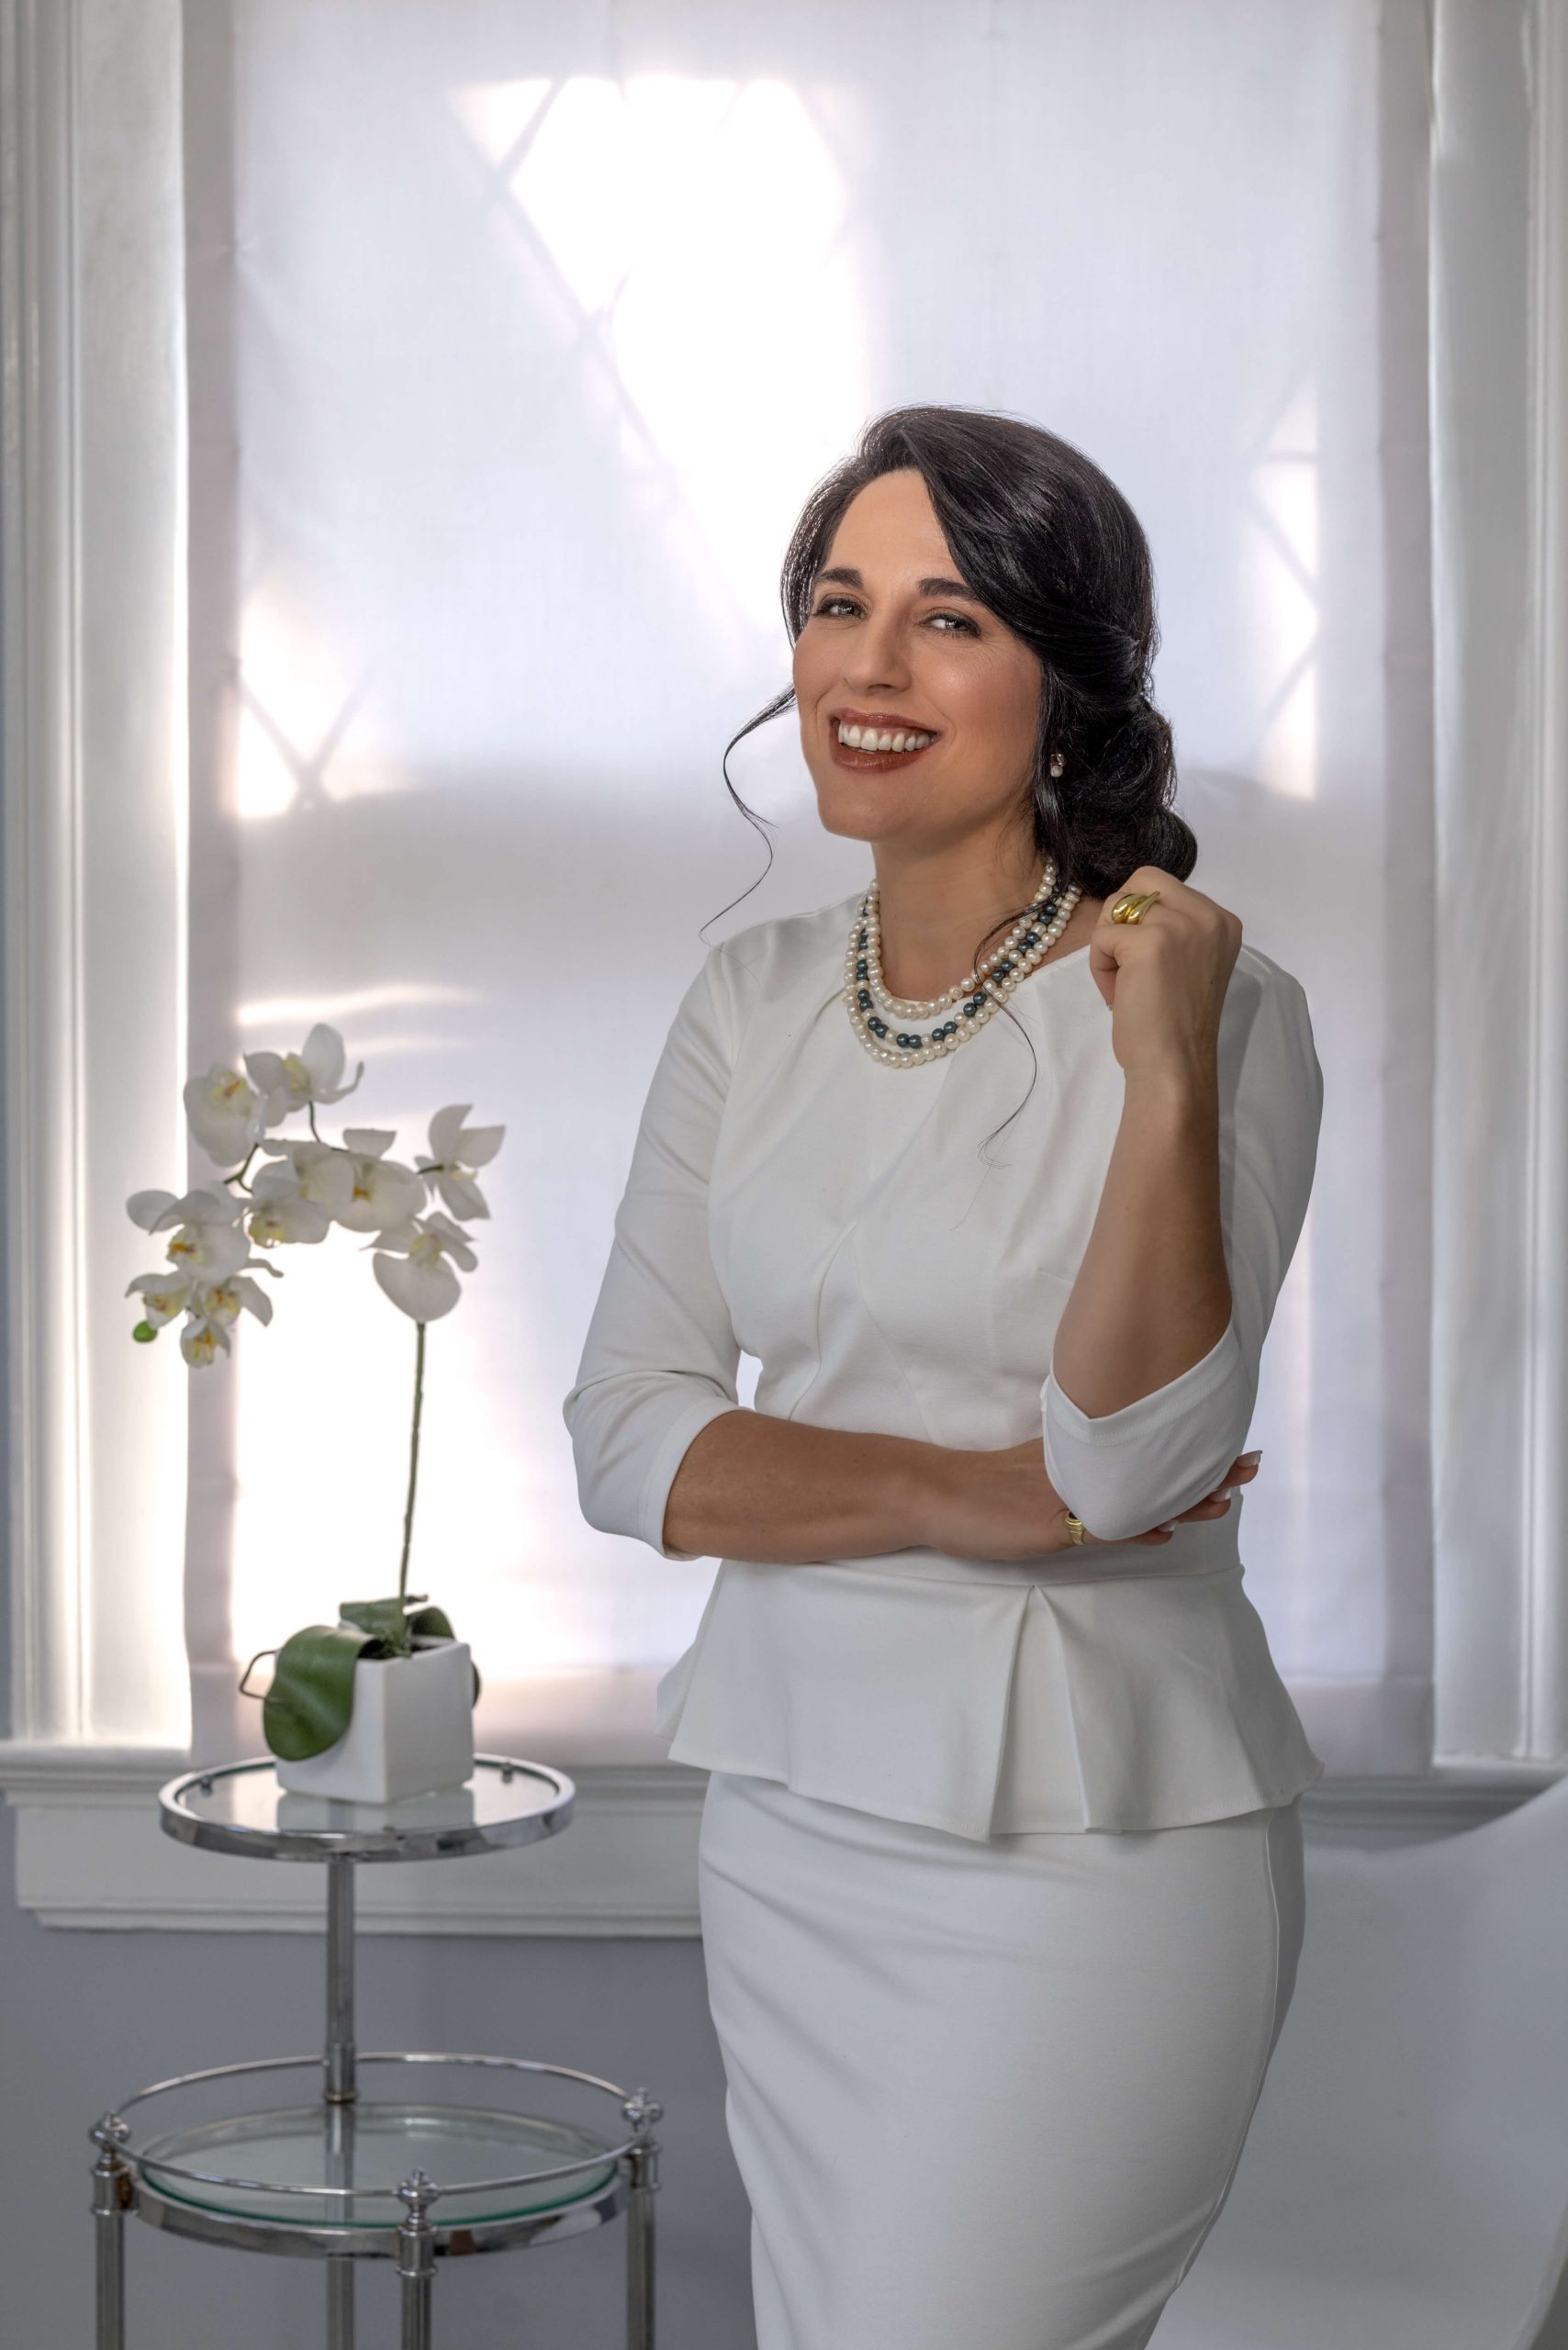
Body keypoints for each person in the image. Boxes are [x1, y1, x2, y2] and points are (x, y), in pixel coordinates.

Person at [563, 404, 1325, 2350]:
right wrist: (955, 1488)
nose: (869, 668)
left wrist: (1158, 1068)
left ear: (1064, 685)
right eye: (836, 606)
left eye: (950, 616)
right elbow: (630, 1433)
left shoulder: (1211, 1002)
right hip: (795, 1821)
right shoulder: (745, 998)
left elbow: (1139, 1453)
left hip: (1090, 1849)